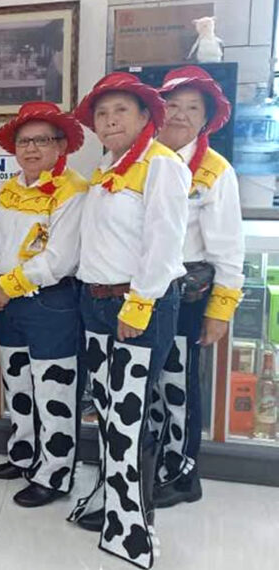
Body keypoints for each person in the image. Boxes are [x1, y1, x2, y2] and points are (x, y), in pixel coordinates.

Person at [67, 73, 190, 570]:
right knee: (108, 412)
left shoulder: (161, 165)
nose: (110, 120)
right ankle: (109, 501)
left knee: (131, 421)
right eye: (102, 112)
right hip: (95, 306)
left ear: (145, 117)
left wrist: (137, 307)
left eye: (121, 110)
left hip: (137, 308)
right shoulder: (106, 165)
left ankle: (133, 526)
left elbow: (164, 244)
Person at [0, 101, 87, 508]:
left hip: (50, 303)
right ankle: (23, 454)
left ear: (61, 145)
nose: (32, 148)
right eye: (25, 141)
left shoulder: (73, 189)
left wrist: (6, 286)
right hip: (7, 304)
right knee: (18, 385)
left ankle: (55, 473)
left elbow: (60, 259)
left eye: (42, 140)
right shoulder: (9, 188)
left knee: (54, 391)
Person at [152, 65, 243, 507]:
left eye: (193, 108)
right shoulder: (141, 157)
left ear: (207, 119)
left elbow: (228, 248)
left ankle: (183, 473)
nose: (181, 115)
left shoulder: (214, 170)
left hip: (187, 294)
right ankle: (154, 461)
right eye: (173, 105)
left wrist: (219, 310)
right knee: (148, 382)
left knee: (179, 386)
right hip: (142, 291)